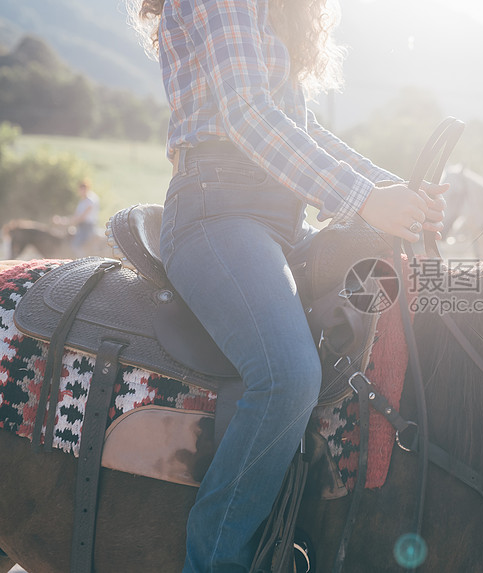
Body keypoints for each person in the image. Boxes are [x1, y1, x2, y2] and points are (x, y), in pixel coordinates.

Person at [129, 1, 447, 571]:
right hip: (216, 214)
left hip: (282, 223)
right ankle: (214, 562)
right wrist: (367, 200)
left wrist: (395, 191)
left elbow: (303, 129)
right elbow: (249, 116)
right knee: (288, 377)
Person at [53, 179, 100, 257]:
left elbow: (81, 217)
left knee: (75, 245)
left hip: (87, 227)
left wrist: (64, 222)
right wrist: (63, 220)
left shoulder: (90, 200)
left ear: (85, 189)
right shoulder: (82, 201)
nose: (80, 192)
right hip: (81, 226)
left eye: (81, 189)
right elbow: (76, 216)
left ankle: (83, 263)